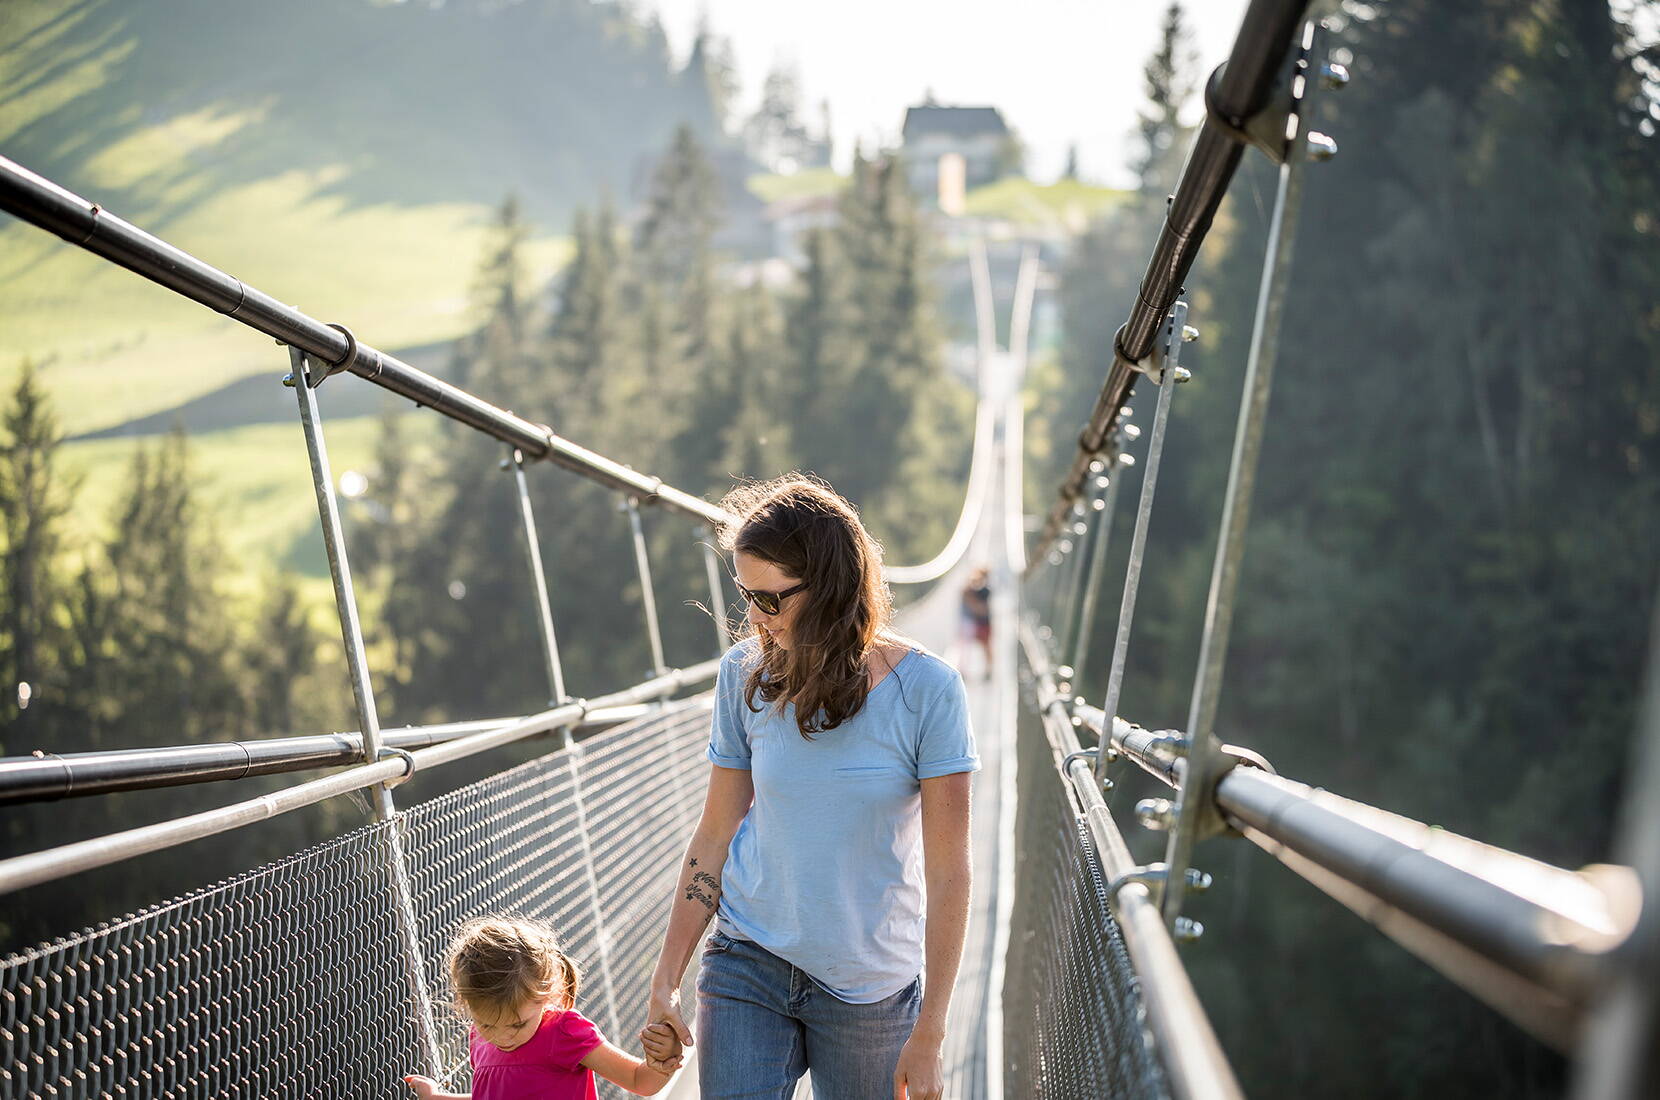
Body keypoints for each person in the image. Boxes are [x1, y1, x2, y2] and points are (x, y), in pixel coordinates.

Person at [637, 475, 979, 1100]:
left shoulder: (929, 691)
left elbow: (950, 870)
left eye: (773, 599)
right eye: (747, 597)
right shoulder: (742, 673)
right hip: (748, 958)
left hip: (870, 987)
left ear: (831, 586)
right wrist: (666, 979)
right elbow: (716, 832)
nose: (756, 618)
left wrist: (931, 1030)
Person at [404, 915, 683, 1100]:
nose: (503, 1037)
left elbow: (638, 1079)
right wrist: (437, 1096)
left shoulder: (564, 1032)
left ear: (548, 995)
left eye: (517, 1024)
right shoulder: (478, 1039)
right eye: (487, 1024)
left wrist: (660, 1063)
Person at [959, 566, 993, 679]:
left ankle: (988, 670)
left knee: (985, 646)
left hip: (982, 623)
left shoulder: (984, 591)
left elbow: (982, 609)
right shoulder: (972, 591)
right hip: (974, 622)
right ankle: (963, 670)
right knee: (966, 646)